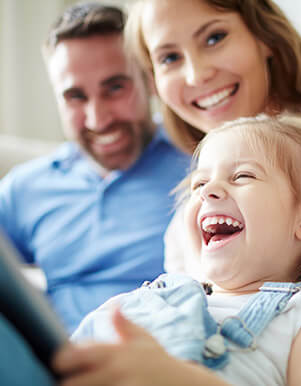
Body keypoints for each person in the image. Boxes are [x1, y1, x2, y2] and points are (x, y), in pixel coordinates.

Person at [47, 114, 301, 385]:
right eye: (199, 184)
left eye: (243, 176)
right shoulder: (144, 300)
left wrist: (179, 378)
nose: (209, 191)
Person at [124, 0, 301, 278]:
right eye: (169, 58)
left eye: (215, 38)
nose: (197, 75)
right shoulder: (190, 232)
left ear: (264, 35)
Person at [0, 3, 190, 333]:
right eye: (75, 96)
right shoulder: (26, 188)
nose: (97, 119)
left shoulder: (202, 163)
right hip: (62, 362)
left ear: (149, 81)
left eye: (115, 88)